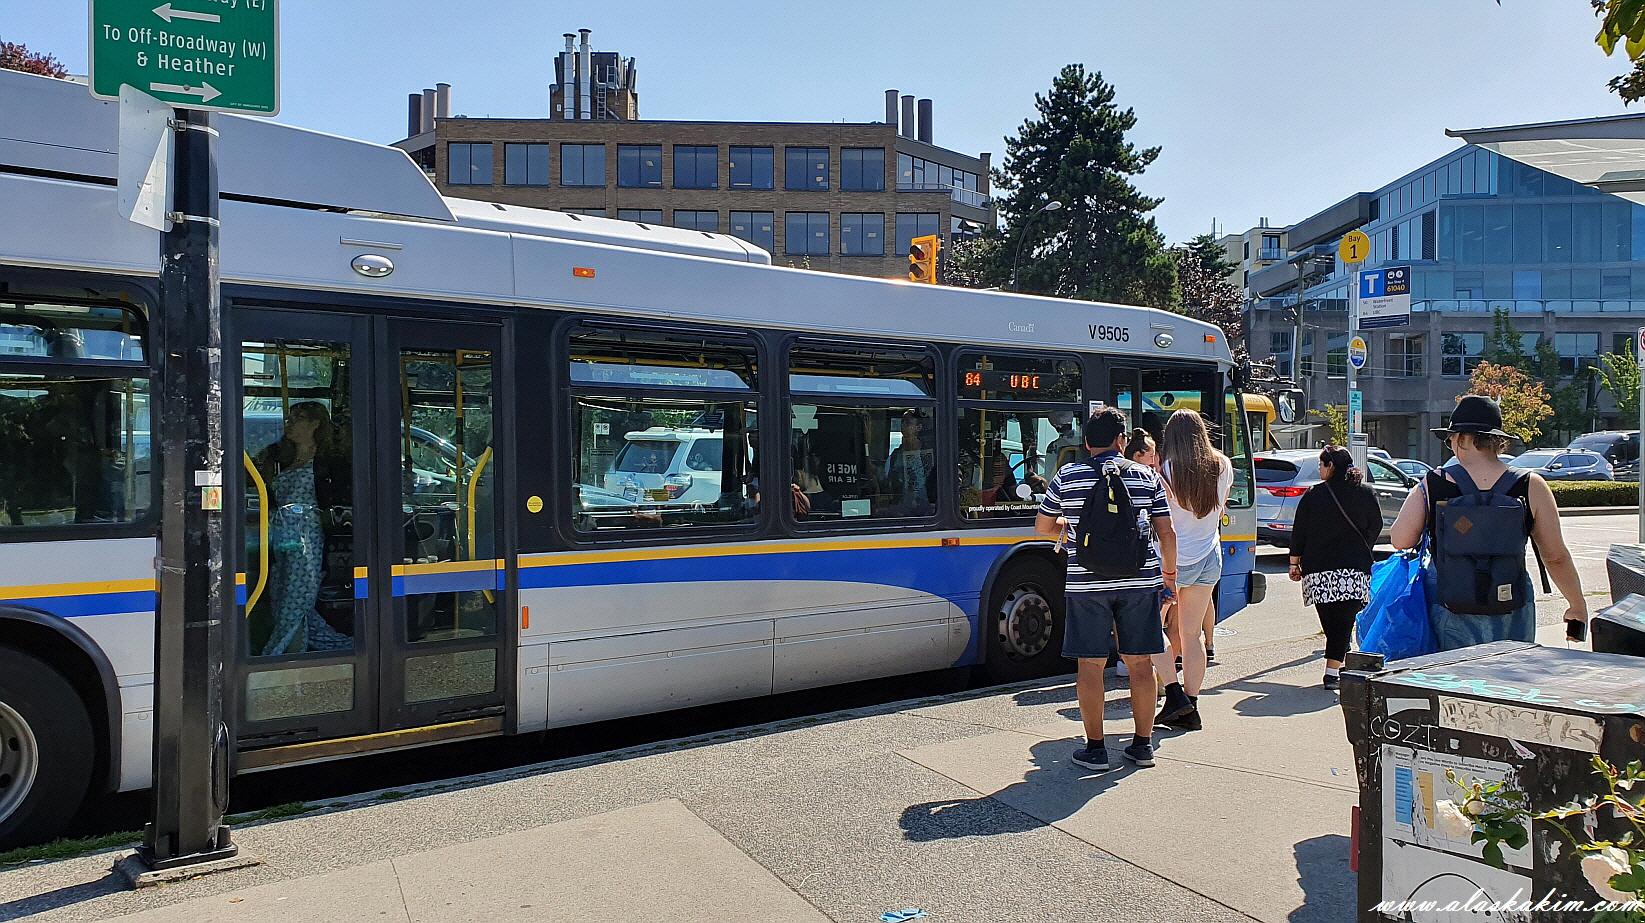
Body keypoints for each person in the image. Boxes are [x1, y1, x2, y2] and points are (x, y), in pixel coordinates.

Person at [1036, 407, 1178, 771]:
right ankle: (1142, 746)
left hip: (1086, 585)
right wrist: (1169, 577)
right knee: (1140, 664)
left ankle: (1096, 749)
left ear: (1086, 442)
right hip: (1139, 583)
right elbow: (1166, 532)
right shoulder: (1146, 475)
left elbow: (1042, 527)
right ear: (1121, 440)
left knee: (1090, 665)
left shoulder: (1068, 475)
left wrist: (1073, 528)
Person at [1390, 395, 1587, 650]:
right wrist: (1576, 604)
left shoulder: (1434, 483)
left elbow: (1401, 540)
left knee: (1452, 673)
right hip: (1511, 601)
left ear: (1462, 438)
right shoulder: (1531, 485)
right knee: (1510, 672)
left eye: (1450, 439)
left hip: (1449, 602)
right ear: (1498, 441)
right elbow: (1555, 556)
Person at [1150, 410, 1234, 731]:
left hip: (1173, 561)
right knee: (1191, 634)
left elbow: (1160, 520)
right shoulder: (1223, 465)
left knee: (1149, 629)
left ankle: (1174, 694)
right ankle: (1192, 704)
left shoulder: (1166, 470)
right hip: (1209, 556)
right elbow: (1221, 507)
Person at [253, 401, 353, 655]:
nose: (289, 424)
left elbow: (340, 499)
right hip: (279, 536)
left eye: (296, 419)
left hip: (307, 538)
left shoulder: (328, 462)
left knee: (296, 600)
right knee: (282, 598)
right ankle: (340, 648)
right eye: (289, 419)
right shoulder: (280, 456)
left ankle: (275, 654)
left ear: (315, 424)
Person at [1286, 445, 1380, 690]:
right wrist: (1363, 546)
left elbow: (1299, 531)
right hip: (1353, 568)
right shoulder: (1365, 493)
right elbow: (1376, 525)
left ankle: (1331, 673)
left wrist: (1294, 563)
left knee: (1331, 620)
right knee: (1343, 621)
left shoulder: (1314, 495)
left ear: (1331, 466)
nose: (1319, 468)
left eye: (1321, 464)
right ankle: (1339, 661)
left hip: (1319, 569)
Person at [883, 409, 936, 516]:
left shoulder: (929, 453)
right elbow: (888, 481)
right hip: (901, 509)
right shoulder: (895, 455)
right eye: (902, 422)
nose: (903, 426)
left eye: (908, 423)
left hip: (926, 510)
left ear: (919, 427)